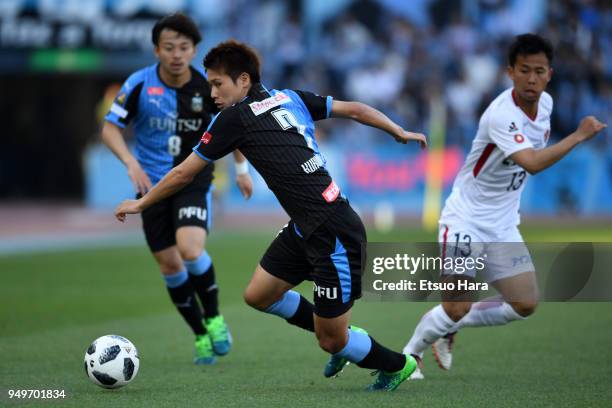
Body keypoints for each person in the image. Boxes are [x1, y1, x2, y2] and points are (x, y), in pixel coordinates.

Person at [115, 40, 427, 391]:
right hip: (306, 225)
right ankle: (342, 334)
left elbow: (183, 173)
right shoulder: (289, 97)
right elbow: (353, 109)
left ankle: (397, 365)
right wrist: (396, 129)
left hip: (332, 230)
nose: (212, 92)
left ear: (243, 80)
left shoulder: (234, 119)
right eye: (210, 84)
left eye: (218, 84)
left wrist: (142, 204)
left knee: (331, 341)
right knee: (259, 295)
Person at [402, 33, 607, 379]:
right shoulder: (501, 115)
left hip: (502, 223)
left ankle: (451, 326)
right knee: (454, 305)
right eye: (524, 70)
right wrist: (579, 135)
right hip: (466, 219)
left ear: (549, 74)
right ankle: (410, 354)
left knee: (525, 303)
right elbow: (532, 162)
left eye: (539, 71)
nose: (531, 78)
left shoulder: (546, 105)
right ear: (510, 72)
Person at [102, 14, 253, 365]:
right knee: (170, 266)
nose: (176, 54)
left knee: (189, 248)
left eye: (184, 47)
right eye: (169, 47)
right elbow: (110, 129)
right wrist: (130, 162)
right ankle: (200, 334)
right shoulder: (138, 84)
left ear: (193, 50)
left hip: (192, 179)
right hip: (151, 185)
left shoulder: (206, 87)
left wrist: (242, 170)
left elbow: (233, 124)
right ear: (157, 49)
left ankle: (214, 317)